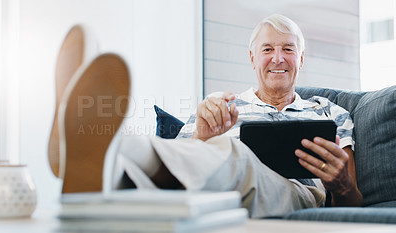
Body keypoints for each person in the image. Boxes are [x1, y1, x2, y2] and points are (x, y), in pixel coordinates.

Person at [58, 14, 362, 219]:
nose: (278, 58)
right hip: (219, 193)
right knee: (212, 154)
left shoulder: (330, 112)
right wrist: (203, 135)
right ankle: (107, 160)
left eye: (288, 49)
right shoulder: (221, 105)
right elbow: (180, 152)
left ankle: (111, 148)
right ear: (253, 58)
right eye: (268, 48)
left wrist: (341, 184)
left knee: (234, 154)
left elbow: (354, 200)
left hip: (298, 195)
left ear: (302, 58)